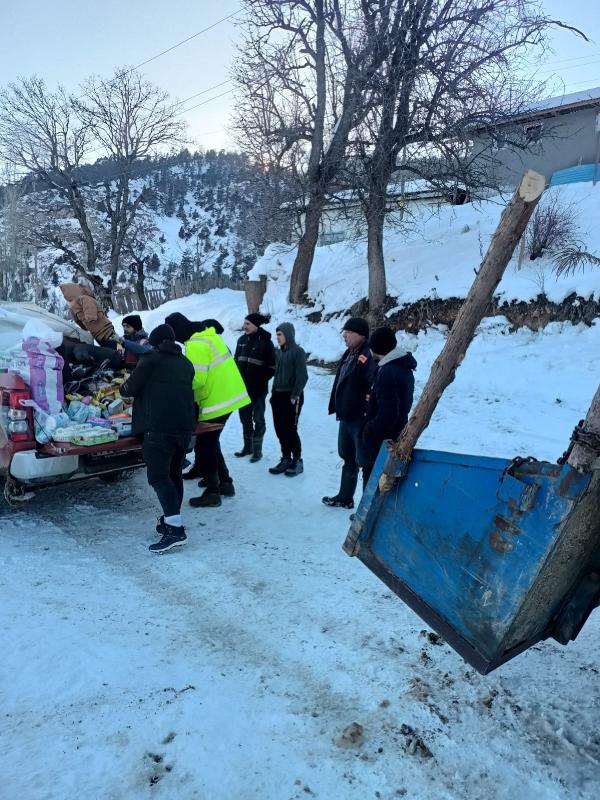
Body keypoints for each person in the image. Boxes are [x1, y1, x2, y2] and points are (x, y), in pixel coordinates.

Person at [120, 324, 196, 553]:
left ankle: (175, 529)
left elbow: (129, 389)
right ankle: (171, 519)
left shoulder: (151, 359)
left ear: (154, 342)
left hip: (158, 428)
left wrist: (126, 381)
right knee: (174, 475)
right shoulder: (185, 363)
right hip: (184, 427)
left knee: (158, 477)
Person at [165, 312, 251, 507]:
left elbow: (196, 380)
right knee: (211, 441)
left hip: (217, 401)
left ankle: (213, 491)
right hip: (228, 396)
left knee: (206, 444)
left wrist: (178, 389)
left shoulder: (196, 344)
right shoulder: (207, 336)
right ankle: (225, 482)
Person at [322, 317, 377, 509]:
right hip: (346, 417)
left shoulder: (367, 355)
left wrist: (365, 412)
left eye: (349, 332)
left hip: (360, 419)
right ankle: (345, 497)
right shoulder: (349, 353)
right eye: (345, 332)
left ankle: (366, 507)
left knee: (365, 462)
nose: (345, 336)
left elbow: (372, 386)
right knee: (347, 457)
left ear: (361, 335)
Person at [361, 326, 417, 484]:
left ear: (376, 348)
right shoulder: (403, 367)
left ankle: (368, 509)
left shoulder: (387, 372)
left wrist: (369, 429)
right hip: (397, 432)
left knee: (374, 477)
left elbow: (388, 414)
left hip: (383, 439)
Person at [234, 312, 276, 462]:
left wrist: (259, 381)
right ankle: (247, 447)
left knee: (258, 419)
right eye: (244, 323)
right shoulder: (241, 340)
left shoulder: (266, 342)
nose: (244, 326)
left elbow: (272, 367)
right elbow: (235, 362)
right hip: (242, 390)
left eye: (248, 324)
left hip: (258, 390)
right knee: (244, 419)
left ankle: (257, 450)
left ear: (256, 326)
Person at [268, 322, 308, 477]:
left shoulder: (298, 352)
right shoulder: (280, 353)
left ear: (288, 335)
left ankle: (297, 461)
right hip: (277, 396)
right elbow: (277, 375)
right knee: (279, 429)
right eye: (276, 334)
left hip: (291, 397)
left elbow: (302, 376)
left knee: (290, 429)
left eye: (280, 334)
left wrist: (294, 395)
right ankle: (285, 458)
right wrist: (272, 394)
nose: (277, 337)